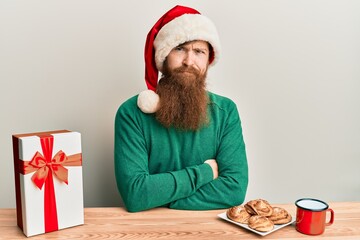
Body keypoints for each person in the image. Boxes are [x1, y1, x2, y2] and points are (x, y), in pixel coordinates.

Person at [114, 5, 248, 212]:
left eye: (199, 51)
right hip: (147, 230)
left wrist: (163, 199)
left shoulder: (226, 111)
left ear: (208, 59)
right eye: (179, 48)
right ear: (164, 56)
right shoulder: (131, 113)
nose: (189, 61)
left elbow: (234, 190)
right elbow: (136, 194)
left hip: (209, 230)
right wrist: (205, 172)